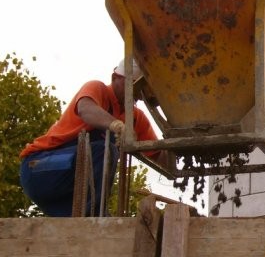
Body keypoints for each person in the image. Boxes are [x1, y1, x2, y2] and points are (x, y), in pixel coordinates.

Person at [19, 59, 168, 216]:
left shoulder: (136, 118)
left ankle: (94, 216)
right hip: (39, 168)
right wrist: (116, 125)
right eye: (131, 85)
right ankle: (95, 214)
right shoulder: (98, 89)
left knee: (98, 229)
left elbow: (159, 157)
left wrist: (173, 141)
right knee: (105, 150)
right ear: (115, 78)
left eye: (139, 88)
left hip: (67, 191)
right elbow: (85, 109)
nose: (136, 93)